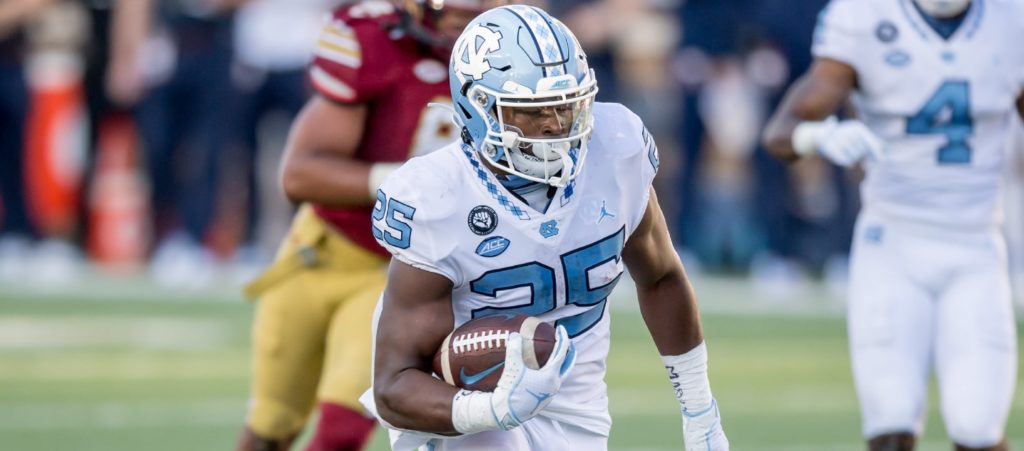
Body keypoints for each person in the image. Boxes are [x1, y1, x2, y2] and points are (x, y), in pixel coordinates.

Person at [364, 5, 728, 450]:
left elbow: (662, 277)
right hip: (462, 398)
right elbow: (394, 384)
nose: (556, 124)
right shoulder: (437, 195)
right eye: (532, 111)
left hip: (578, 405)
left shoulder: (616, 148)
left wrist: (700, 410)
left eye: (567, 104)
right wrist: (491, 411)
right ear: (480, 109)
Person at [236, 1, 504, 450]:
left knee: (342, 430)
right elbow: (301, 174)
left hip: (403, 271)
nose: (467, 6)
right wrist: (406, 183)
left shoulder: (520, 55)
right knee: (270, 426)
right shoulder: (372, 39)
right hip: (325, 251)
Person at [762, 0, 1023, 449]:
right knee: (890, 425)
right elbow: (779, 132)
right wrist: (820, 135)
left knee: (977, 428)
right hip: (893, 246)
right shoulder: (865, 15)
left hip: (976, 246)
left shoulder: (1011, 18)